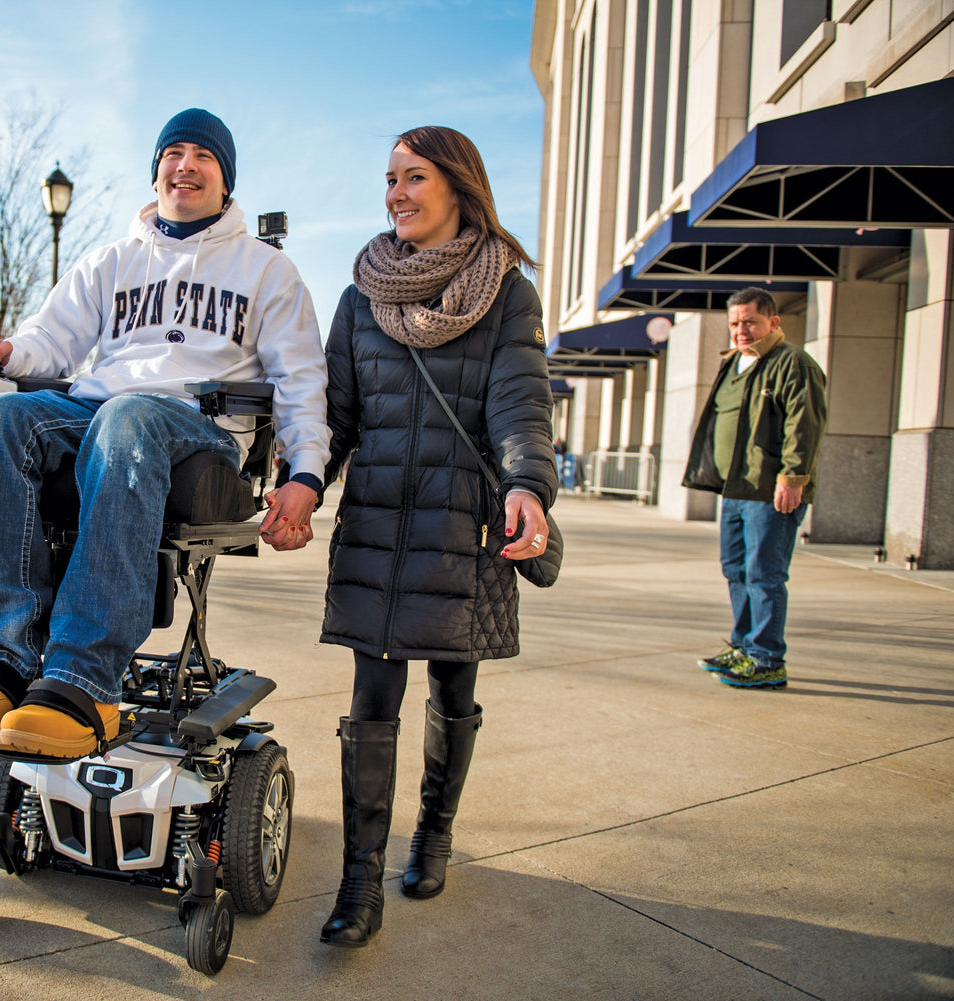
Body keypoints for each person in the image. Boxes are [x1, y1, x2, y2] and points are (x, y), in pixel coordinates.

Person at [0, 108, 328, 761]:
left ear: (226, 180)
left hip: (198, 429)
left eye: (204, 155)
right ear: (157, 170)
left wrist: (304, 475)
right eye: (174, 152)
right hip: (103, 411)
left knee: (129, 415)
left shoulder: (265, 270)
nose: (185, 164)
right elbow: (49, 344)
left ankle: (83, 677)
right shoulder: (112, 261)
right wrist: (8, 352)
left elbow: (303, 380)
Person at [316, 126, 556, 948]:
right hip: (379, 522)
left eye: (414, 176)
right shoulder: (360, 296)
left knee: (454, 691)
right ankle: (357, 888)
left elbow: (521, 407)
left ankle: (435, 833)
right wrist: (297, 483)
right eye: (389, 178)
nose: (396, 193)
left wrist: (529, 485)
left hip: (465, 525)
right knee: (370, 701)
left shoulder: (507, 294)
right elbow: (334, 419)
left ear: (458, 184)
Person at [683, 287, 827, 689]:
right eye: (734, 323)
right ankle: (744, 647)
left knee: (764, 575)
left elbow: (805, 424)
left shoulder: (792, 363)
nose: (741, 330)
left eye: (750, 321)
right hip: (735, 490)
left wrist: (793, 477)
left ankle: (767, 658)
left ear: (773, 322)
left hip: (771, 491)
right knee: (736, 572)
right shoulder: (734, 363)